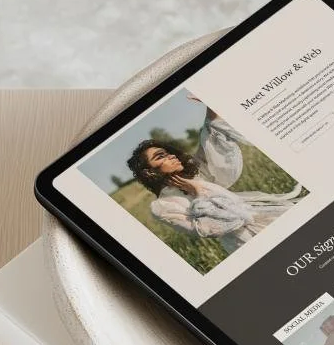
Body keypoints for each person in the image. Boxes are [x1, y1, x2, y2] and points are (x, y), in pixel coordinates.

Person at [127, 106, 302, 254]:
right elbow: (209, 228)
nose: (171, 155)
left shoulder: (197, 172)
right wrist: (198, 191)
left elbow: (211, 133)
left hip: (268, 217)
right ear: (149, 173)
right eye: (160, 156)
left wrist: (208, 99)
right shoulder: (162, 206)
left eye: (167, 152)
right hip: (245, 243)